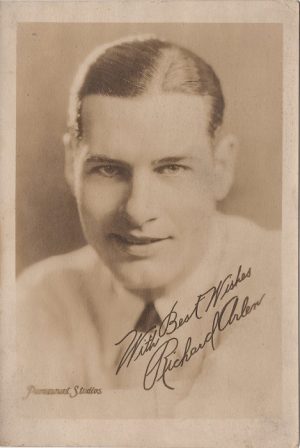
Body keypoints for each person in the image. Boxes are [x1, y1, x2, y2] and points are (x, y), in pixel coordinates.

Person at [17, 35, 281, 418]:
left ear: (221, 169)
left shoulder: (281, 282)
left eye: (172, 168)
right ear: (71, 165)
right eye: (108, 169)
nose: (138, 211)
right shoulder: (39, 302)